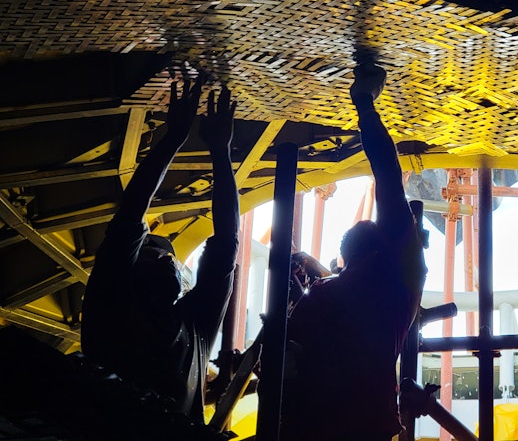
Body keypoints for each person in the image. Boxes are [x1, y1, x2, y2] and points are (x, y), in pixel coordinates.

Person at [279, 63, 428, 441]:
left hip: (311, 426)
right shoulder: (397, 282)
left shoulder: (326, 295)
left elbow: (288, 358)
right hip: (365, 425)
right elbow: (389, 182)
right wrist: (364, 106)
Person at [81, 77, 240, 423]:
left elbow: (131, 216)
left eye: (167, 255)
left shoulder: (185, 325)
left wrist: (185, 141)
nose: (168, 260)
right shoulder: (119, 307)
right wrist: (212, 150)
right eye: (156, 254)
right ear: (133, 270)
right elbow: (226, 242)